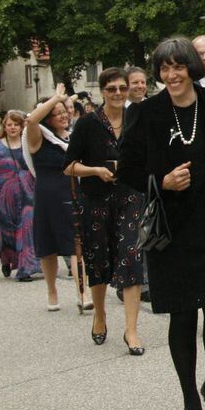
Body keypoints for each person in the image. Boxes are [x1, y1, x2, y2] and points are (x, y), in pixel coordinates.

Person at [117, 37, 205, 410]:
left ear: (192, 66)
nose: (171, 75)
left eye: (177, 66)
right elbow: (126, 171)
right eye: (163, 69)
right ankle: (191, 400)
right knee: (184, 316)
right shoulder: (147, 113)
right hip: (172, 230)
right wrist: (161, 180)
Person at [64, 68, 146, 353]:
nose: (118, 93)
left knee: (132, 257)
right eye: (111, 89)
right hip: (95, 198)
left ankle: (131, 330)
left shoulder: (136, 117)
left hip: (129, 197)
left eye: (122, 88)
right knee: (98, 259)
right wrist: (95, 170)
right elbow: (68, 165)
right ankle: (99, 315)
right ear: (102, 91)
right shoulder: (88, 123)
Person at [25, 86, 88, 312]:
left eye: (65, 111)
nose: (63, 115)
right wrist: (56, 98)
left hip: (71, 191)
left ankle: (83, 291)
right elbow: (31, 120)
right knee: (48, 246)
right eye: (56, 112)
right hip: (47, 195)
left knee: (76, 242)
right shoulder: (37, 136)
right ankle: (52, 291)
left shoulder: (71, 137)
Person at [0, 110, 39, 280]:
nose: (13, 127)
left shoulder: (28, 143)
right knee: (5, 228)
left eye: (16, 124)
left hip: (28, 190)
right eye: (9, 124)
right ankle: (6, 259)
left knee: (27, 226)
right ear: (4, 126)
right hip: (4, 193)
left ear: (21, 127)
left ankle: (25, 268)